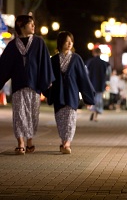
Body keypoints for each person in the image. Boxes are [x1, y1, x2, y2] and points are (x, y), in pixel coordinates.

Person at [0, 15, 55, 154]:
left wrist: (47, 84)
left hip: (34, 86)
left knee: (32, 115)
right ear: (22, 26)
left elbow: (45, 64)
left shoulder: (39, 43)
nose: (33, 27)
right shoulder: (12, 45)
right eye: (31, 24)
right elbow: (3, 66)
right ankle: (21, 143)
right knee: (19, 114)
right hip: (18, 85)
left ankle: (30, 140)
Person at [46, 31, 95, 154]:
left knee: (70, 119)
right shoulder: (54, 60)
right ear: (61, 42)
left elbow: (83, 79)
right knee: (60, 119)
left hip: (72, 93)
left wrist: (88, 98)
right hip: (58, 94)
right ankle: (63, 142)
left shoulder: (76, 58)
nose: (69, 44)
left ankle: (67, 143)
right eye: (67, 41)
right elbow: (48, 77)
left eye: (71, 41)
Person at [86, 47, 111, 121]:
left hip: (91, 84)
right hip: (101, 84)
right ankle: (95, 114)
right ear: (100, 53)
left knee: (92, 99)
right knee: (99, 99)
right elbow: (108, 74)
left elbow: (85, 73)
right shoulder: (105, 63)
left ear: (93, 53)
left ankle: (93, 112)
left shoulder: (89, 62)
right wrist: (107, 82)